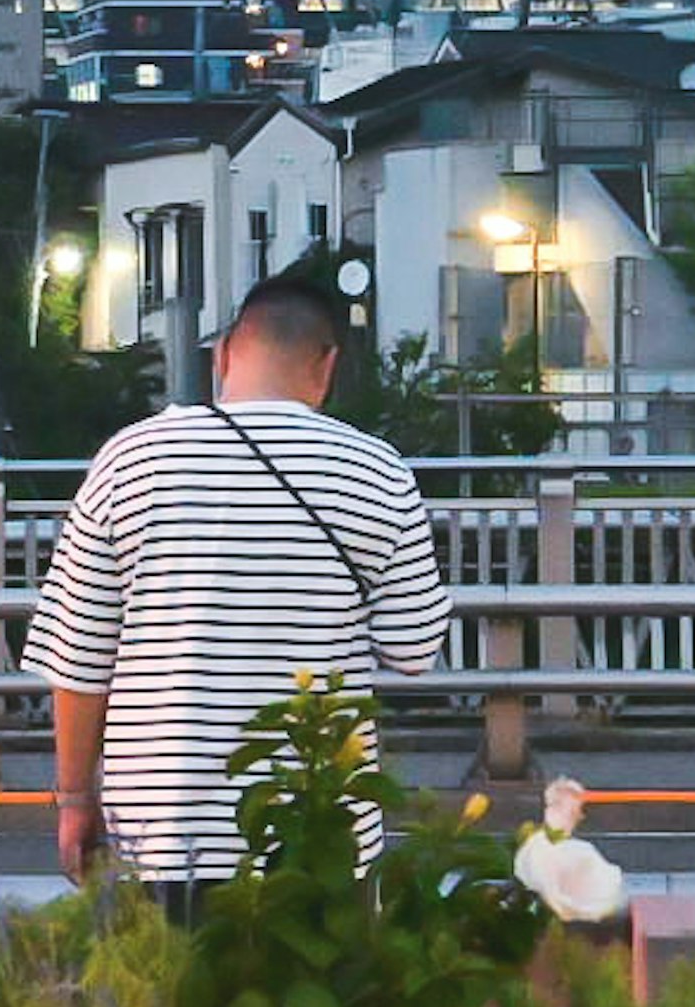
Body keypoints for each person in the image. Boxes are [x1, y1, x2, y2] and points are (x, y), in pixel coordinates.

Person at [24, 272, 455, 890]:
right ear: (327, 365)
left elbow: (79, 661)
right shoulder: (379, 471)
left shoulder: (131, 459)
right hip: (321, 834)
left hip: (161, 832)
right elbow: (411, 651)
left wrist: (74, 800)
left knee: (169, 987)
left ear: (224, 353)